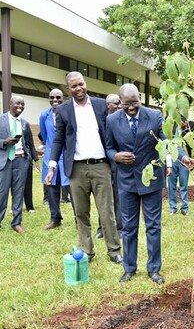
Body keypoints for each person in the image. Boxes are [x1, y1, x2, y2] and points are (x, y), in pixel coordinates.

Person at [106, 83, 193, 283]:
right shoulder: (111, 120)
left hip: (152, 179)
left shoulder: (154, 116)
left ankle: (154, 269)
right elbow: (109, 148)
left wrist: (183, 157)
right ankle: (129, 268)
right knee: (128, 227)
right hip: (126, 181)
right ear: (120, 103)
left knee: (153, 226)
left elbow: (166, 141)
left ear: (140, 99)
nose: (131, 107)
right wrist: (117, 156)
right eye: (126, 104)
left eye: (135, 102)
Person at [45, 71, 122, 264]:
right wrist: (52, 166)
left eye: (80, 84)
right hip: (76, 169)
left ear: (85, 83)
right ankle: (87, 251)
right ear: (68, 89)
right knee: (81, 212)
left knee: (106, 211)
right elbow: (59, 139)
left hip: (101, 166)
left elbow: (111, 132)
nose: (78, 88)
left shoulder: (99, 105)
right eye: (73, 86)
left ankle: (114, 250)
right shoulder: (63, 110)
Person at [0, 96, 40, 233]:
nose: (20, 106)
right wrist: (4, 142)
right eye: (18, 103)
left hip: (22, 161)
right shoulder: (1, 120)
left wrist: (35, 160)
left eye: (23, 104)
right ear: (10, 104)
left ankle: (16, 223)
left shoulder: (25, 123)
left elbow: (30, 144)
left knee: (18, 193)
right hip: (5, 162)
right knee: (2, 193)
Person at [40, 88, 74, 230]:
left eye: (58, 97)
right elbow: (44, 135)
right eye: (52, 97)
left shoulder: (70, 113)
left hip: (67, 155)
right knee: (52, 188)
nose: (55, 100)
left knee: (73, 188)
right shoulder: (44, 115)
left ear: (63, 98)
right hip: (50, 155)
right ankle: (55, 219)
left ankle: (80, 220)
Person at [94, 93, 123, 238]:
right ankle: (102, 228)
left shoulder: (121, 120)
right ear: (108, 105)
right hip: (103, 164)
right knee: (103, 198)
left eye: (119, 103)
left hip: (118, 164)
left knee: (118, 196)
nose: (118, 106)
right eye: (115, 103)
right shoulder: (100, 121)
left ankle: (120, 228)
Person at [167, 117, 193, 216]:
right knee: (171, 186)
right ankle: (173, 208)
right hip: (172, 160)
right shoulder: (169, 127)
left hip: (185, 162)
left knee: (184, 185)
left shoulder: (189, 129)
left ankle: (184, 208)